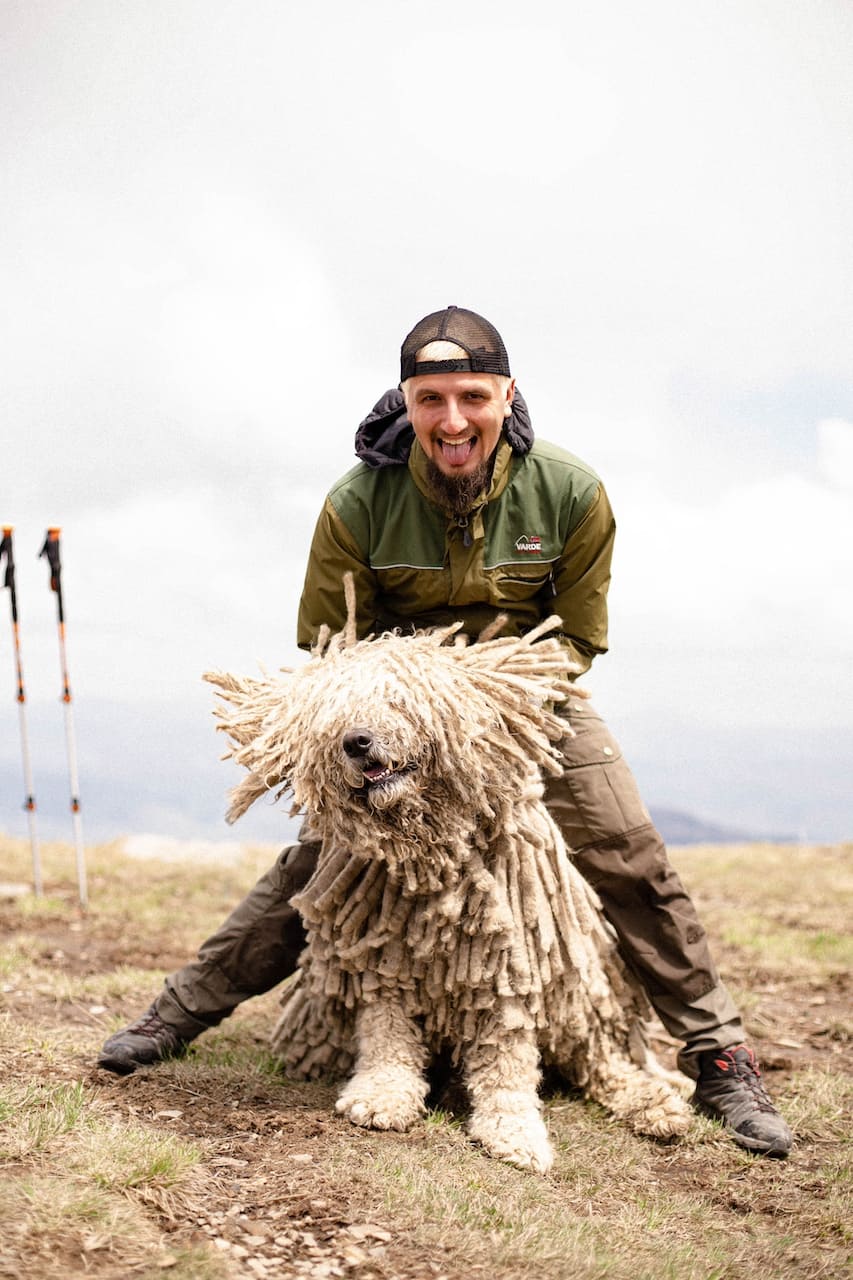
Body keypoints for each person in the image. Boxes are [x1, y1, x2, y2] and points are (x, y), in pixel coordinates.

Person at [99, 306, 792, 1157]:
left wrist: (491, 703)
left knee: (626, 851)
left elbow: (576, 636)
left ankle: (719, 1056)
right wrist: (402, 704)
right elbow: (329, 643)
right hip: (392, 709)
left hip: (528, 701)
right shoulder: (359, 501)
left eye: (472, 396)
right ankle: (175, 1016)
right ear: (406, 400)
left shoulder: (569, 491)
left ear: (507, 394)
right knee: (325, 863)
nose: (453, 420)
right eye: (431, 399)